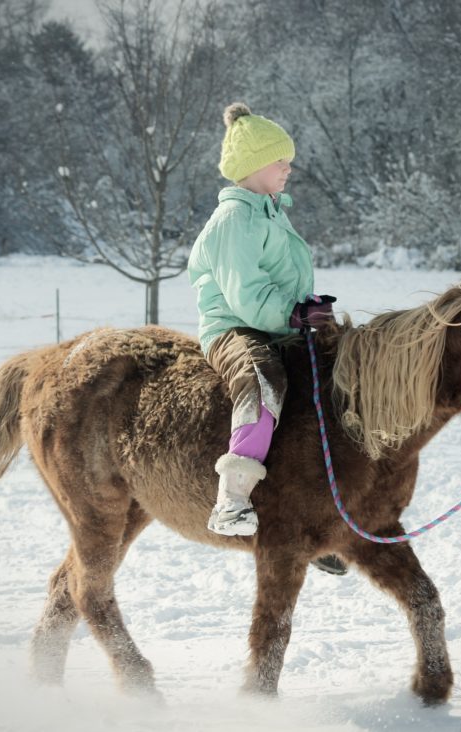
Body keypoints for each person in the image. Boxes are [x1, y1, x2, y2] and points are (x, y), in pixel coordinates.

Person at [187, 103, 339, 557]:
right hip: (234, 327)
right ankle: (231, 498)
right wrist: (292, 315)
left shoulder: (269, 212)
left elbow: (284, 276)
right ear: (254, 165)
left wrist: (306, 308)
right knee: (263, 378)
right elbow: (245, 295)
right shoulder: (234, 221)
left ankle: (320, 508)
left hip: (272, 323)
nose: (289, 168)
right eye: (281, 161)